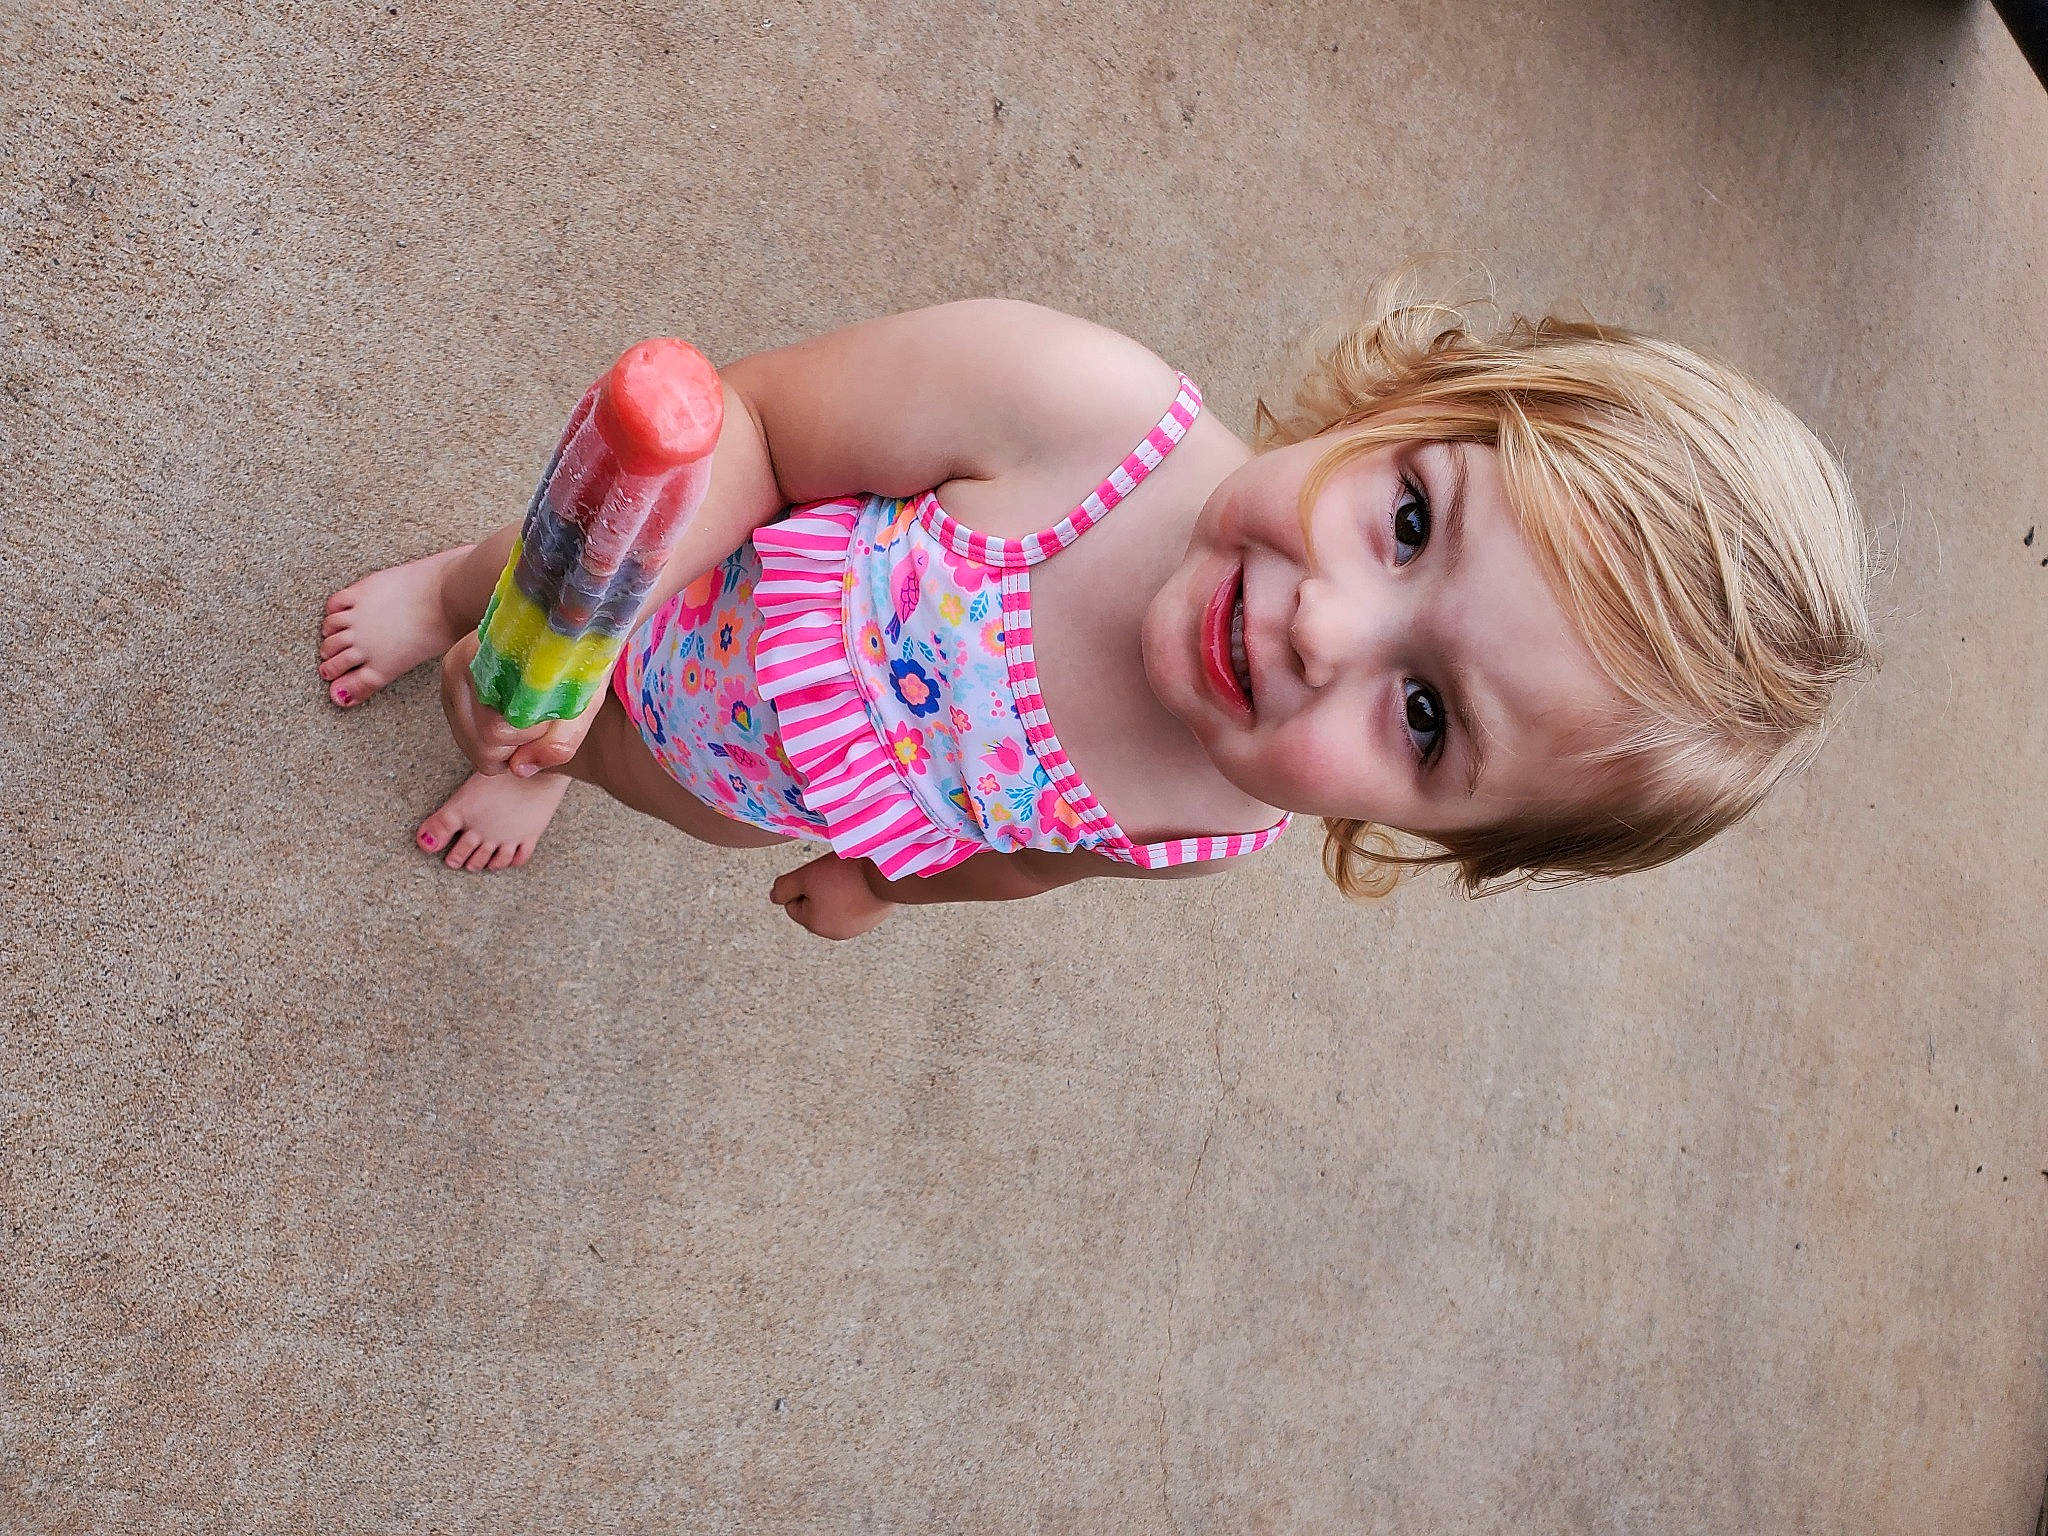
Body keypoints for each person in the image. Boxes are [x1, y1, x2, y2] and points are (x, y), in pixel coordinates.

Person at [317, 275, 1875, 939]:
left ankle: (553, 770)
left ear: (1441, 835)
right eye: (1408, 521)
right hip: (676, 581)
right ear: (1428, 401)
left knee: (596, 766)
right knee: (520, 610)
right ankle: (451, 594)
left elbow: (1028, 861)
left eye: (1424, 716)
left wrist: (884, 888)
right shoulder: (1076, 411)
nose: (1329, 631)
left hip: (753, 781)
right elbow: (755, 423)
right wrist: (592, 629)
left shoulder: (1214, 817)